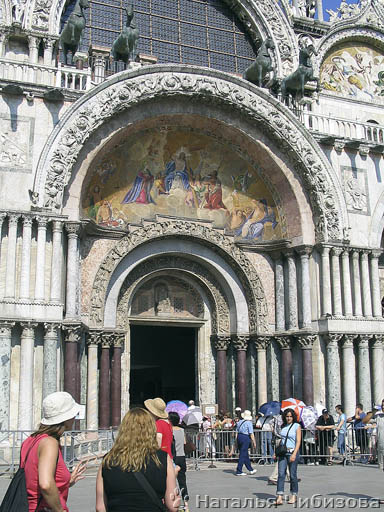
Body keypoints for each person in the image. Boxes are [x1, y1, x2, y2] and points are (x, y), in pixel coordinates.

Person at [96, 408, 180, 512]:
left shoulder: (108, 460)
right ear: (151, 429)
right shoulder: (162, 458)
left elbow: (100, 507)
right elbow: (173, 506)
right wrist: (174, 479)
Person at [21, 391, 86, 512]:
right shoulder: (49, 443)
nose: (74, 418)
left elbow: (33, 479)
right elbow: (45, 484)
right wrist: (60, 510)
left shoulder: (30, 440)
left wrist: (67, 482)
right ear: (66, 418)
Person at [274, 408, 301, 505]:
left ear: (293, 417)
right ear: (284, 417)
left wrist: (294, 454)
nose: (289, 418)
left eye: (290, 416)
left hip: (292, 451)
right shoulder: (283, 426)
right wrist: (276, 452)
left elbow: (298, 441)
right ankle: (279, 496)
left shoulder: (297, 426)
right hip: (283, 453)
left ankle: (294, 495)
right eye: (287, 416)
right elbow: (281, 440)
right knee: (281, 474)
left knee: (293, 475)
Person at [169, 412, 189, 511]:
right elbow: (184, 442)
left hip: (173, 457)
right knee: (182, 481)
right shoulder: (182, 430)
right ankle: (186, 505)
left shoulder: (169, 430)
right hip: (182, 456)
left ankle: (174, 504)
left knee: (171, 482)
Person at [235, 410, 257, 476]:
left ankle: (250, 469)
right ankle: (239, 470)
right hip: (245, 437)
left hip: (239, 436)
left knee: (245, 454)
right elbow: (251, 433)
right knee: (243, 454)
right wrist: (254, 442)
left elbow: (236, 432)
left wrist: (236, 441)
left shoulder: (239, 422)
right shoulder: (249, 423)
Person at [363, 399, 384, 469]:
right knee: (382, 467)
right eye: (382, 405)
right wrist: (373, 412)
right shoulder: (378, 416)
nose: (383, 407)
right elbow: (364, 421)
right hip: (381, 445)